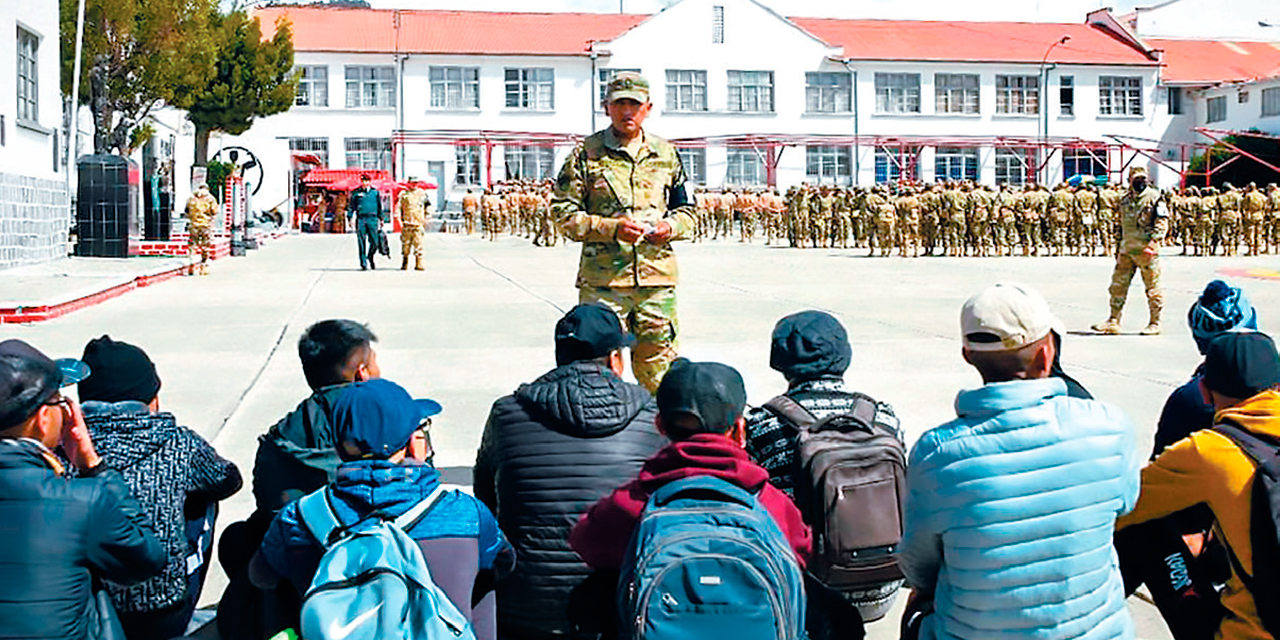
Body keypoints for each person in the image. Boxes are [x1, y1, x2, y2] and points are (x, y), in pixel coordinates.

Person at [902, 283, 1140, 640]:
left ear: (968, 355)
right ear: (1047, 355)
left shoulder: (936, 453)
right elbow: (1126, 504)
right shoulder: (1109, 427)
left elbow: (919, 567)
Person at [250, 378, 515, 640]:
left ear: (340, 450)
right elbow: (505, 562)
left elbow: (260, 576)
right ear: (414, 442)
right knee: (484, 579)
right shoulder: (464, 512)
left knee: (281, 581)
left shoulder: (299, 517)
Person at [473, 303, 666, 640]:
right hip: (622, 606)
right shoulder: (652, 415)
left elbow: (487, 501)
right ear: (614, 360)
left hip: (524, 609)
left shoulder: (507, 414)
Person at [218, 319, 380, 640]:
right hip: (372, 571)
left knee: (238, 538)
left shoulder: (279, 438)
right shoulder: (389, 430)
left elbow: (266, 509)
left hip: (296, 575)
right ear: (362, 372)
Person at [570, 358, 812, 570]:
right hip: (755, 621)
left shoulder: (630, 504)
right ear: (739, 431)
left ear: (659, 426)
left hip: (658, 621)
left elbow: (583, 541)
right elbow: (801, 555)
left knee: (594, 592)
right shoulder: (771, 505)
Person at [1116, 331, 1280, 640]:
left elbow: (1120, 508)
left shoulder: (1207, 452)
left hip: (1249, 634)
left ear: (1204, 391)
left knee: (1146, 529)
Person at [77, 335, 243, 640]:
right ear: (150, 397)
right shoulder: (177, 441)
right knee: (205, 495)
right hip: (163, 611)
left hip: (88, 611)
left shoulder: (66, 447)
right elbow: (229, 480)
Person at [0, 339, 166, 640]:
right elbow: (148, 559)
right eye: (59, 402)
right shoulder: (82, 500)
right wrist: (94, 466)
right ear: (42, 418)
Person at [744, 309, 903, 621]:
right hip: (884, 585)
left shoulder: (764, 424)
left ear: (780, 360)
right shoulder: (883, 417)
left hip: (809, 589)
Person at [552, 71, 697, 393]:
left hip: (656, 282)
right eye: (620, 104)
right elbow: (562, 214)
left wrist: (669, 227)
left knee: (661, 371)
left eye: (634, 103)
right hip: (604, 284)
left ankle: (657, 435)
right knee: (595, 368)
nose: (627, 111)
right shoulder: (585, 154)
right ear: (607, 108)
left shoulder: (666, 154)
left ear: (648, 107)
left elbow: (687, 211)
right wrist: (611, 228)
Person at [1092, 166, 1168, 335]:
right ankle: (1113, 320)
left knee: (1152, 288)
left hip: (1146, 250)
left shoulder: (1155, 197)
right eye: (1136, 179)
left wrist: (1153, 243)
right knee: (1117, 286)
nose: (1140, 182)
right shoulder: (1125, 199)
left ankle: (1155, 322)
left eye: (1143, 178)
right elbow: (1121, 224)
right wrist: (1118, 246)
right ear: (1130, 180)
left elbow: (1162, 221)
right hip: (1126, 250)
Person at [347, 174, 387, 270]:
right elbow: (351, 206)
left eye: (367, 181)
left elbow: (379, 206)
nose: (365, 183)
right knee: (361, 241)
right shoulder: (356, 193)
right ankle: (363, 262)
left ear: (370, 181)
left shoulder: (375, 193)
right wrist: (350, 217)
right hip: (361, 219)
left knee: (375, 242)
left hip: (372, 219)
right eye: (363, 181)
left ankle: (370, 256)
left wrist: (381, 218)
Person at [185, 182, 217, 275]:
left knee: (192, 245)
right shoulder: (210, 199)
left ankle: (191, 263)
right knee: (205, 246)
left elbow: (186, 211)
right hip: (205, 225)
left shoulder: (191, 198)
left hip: (193, 225)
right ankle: (203, 266)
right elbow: (214, 212)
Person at [399, 179, 429, 271]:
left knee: (418, 244)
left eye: (415, 183)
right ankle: (405, 262)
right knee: (406, 245)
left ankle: (419, 263)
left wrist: (427, 218)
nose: (414, 185)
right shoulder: (404, 194)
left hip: (418, 223)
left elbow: (427, 206)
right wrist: (399, 220)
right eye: (412, 183)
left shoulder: (422, 194)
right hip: (407, 223)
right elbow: (399, 208)